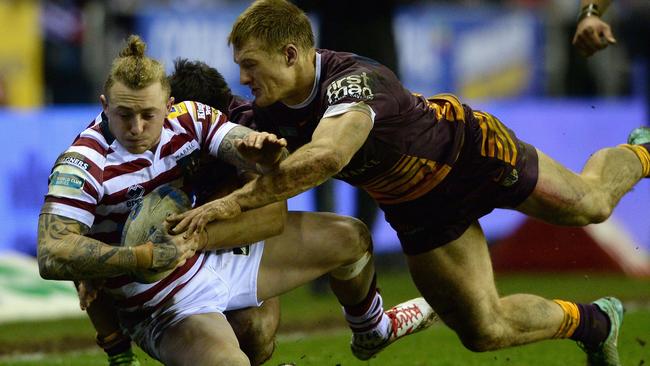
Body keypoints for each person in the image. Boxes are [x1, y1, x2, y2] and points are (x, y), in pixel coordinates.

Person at [168, 1, 650, 364]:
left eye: (250, 65)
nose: (243, 76)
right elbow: (205, 119)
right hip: (419, 210)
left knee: (591, 205)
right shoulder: (266, 110)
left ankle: (642, 151)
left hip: (472, 155)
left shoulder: (355, 82)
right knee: (484, 330)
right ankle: (595, 321)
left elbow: (328, 156)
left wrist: (227, 206)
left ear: (291, 54)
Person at [37, 35, 436, 365]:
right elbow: (52, 252)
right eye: (124, 115)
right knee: (240, 356)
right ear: (105, 106)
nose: (138, 128)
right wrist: (140, 258)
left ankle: (372, 331)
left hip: (207, 255)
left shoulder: (190, 117)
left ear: (169, 104)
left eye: (149, 115)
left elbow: (242, 148)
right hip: (160, 303)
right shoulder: (83, 163)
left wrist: (263, 153)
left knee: (351, 237)